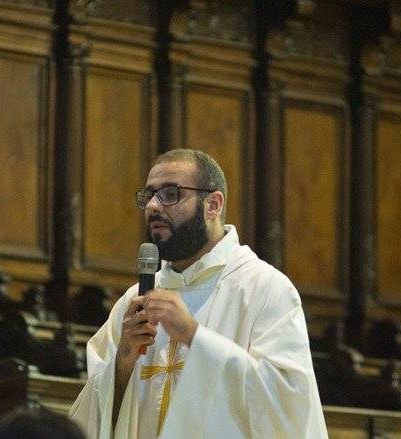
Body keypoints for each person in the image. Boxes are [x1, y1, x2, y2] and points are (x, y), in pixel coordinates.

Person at [70, 149, 327, 438]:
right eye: (149, 195)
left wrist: (194, 335)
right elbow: (89, 419)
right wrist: (124, 360)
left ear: (213, 205)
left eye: (170, 194)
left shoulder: (265, 289)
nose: (153, 206)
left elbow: (288, 405)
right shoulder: (135, 300)